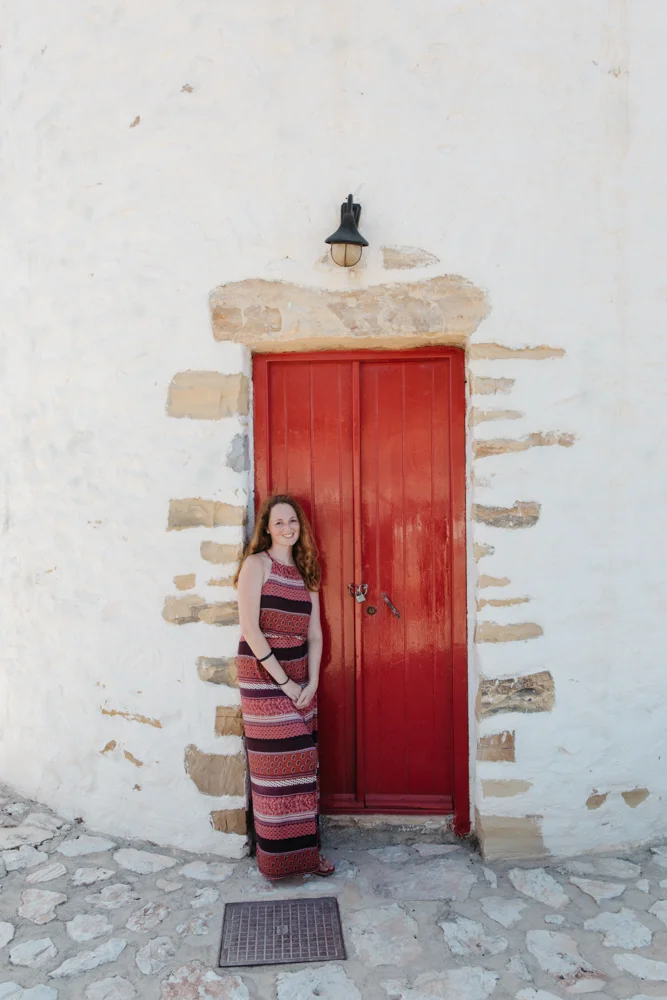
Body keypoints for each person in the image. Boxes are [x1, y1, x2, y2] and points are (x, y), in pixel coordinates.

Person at [234, 494, 335, 880]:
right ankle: (276, 862)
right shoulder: (256, 565)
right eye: (278, 522)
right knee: (276, 770)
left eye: (292, 521)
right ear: (266, 528)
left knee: (305, 766)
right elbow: (250, 629)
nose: (287, 528)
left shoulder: (307, 570)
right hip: (263, 677)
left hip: (300, 678)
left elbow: (315, 636)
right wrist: (286, 683)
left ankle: (307, 856)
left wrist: (311, 682)